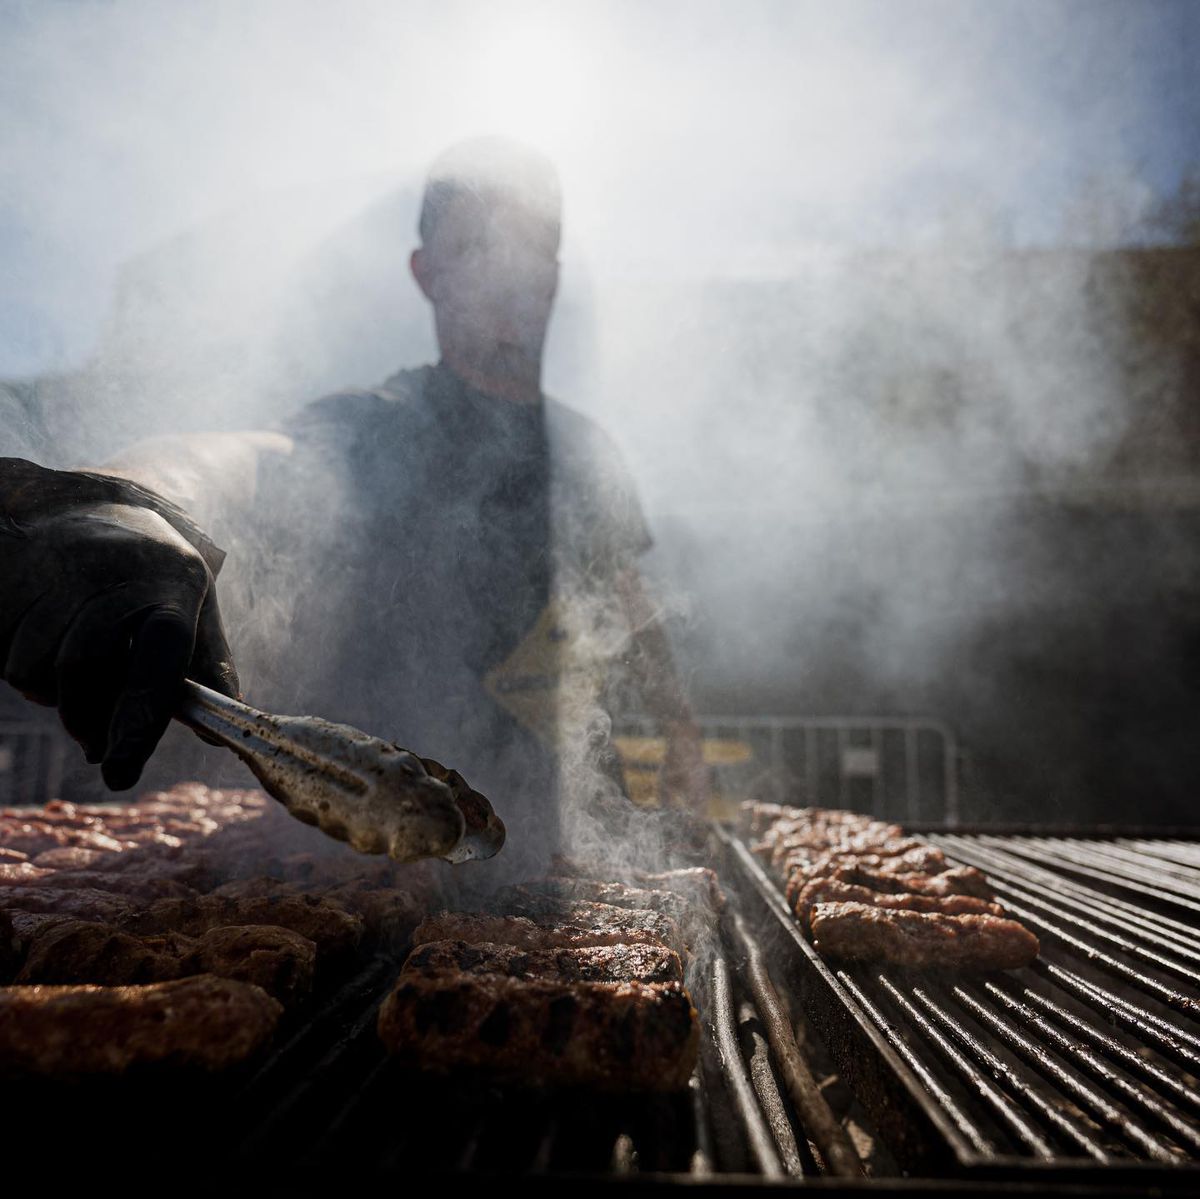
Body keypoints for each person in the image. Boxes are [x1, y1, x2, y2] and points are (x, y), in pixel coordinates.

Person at [0, 137, 706, 869]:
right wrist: (120, 502)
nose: (504, 272)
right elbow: (247, 456)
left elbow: (634, 613)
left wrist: (687, 759)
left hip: (552, 849)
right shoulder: (380, 421)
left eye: (526, 248)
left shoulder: (591, 451)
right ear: (425, 274)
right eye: (473, 247)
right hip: (372, 845)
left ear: (554, 276)